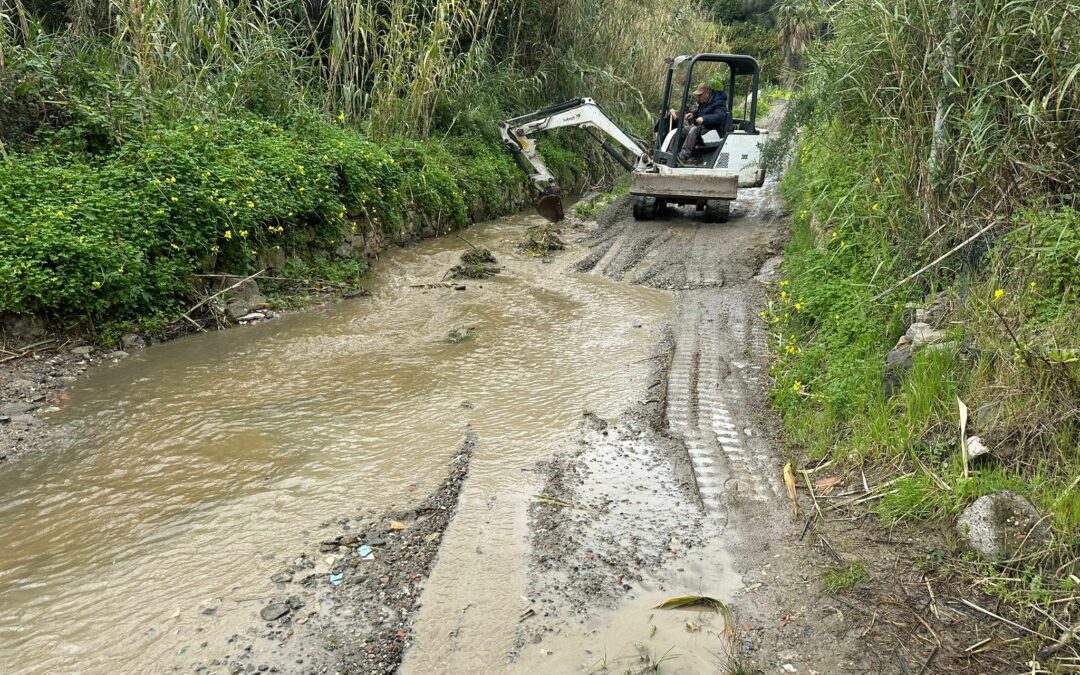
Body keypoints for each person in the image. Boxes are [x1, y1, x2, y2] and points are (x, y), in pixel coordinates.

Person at [677, 82, 728, 163]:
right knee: (682, 130)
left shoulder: (719, 102)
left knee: (693, 130)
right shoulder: (704, 101)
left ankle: (683, 156)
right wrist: (693, 114)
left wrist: (704, 118)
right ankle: (671, 153)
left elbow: (719, 116)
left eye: (700, 95)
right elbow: (701, 111)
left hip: (713, 129)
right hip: (703, 128)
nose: (698, 97)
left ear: (706, 93)